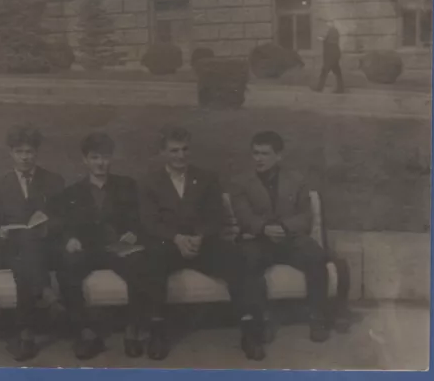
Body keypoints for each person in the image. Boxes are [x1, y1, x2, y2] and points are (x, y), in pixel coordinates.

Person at [138, 126, 242, 361]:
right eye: (174, 151)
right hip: (169, 245)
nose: (181, 156)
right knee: (150, 262)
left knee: (236, 257)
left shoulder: (206, 178)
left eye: (185, 150)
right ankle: (157, 331)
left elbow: (216, 215)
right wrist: (177, 238)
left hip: (202, 243)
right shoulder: (149, 182)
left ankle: (249, 326)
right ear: (163, 153)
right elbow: (149, 221)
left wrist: (199, 236)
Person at [52, 132, 157, 360]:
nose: (101, 163)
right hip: (88, 249)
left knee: (140, 263)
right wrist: (70, 238)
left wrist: (134, 232)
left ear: (112, 158)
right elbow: (65, 224)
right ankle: (87, 332)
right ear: (85, 160)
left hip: (118, 247)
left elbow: (140, 219)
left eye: (105, 157)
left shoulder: (127, 185)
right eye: (95, 157)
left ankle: (132, 331)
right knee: (66, 267)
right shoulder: (73, 192)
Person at [229, 131, 331, 361]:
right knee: (247, 262)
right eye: (255, 153)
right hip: (258, 241)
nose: (258, 158)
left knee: (315, 255)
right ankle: (258, 323)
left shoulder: (297, 179)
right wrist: (264, 228)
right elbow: (243, 215)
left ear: (279, 156)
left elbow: (306, 217)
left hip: (289, 240)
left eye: (265, 153)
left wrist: (283, 227)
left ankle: (317, 318)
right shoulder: (240, 182)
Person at [0, 125, 65, 361]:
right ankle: (45, 291)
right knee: (23, 251)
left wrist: (46, 223)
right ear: (10, 153)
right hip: (11, 249)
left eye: (30, 152)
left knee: (26, 258)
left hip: (45, 247)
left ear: (37, 153)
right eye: (19, 152)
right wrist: (0, 231)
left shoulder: (54, 181)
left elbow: (63, 218)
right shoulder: (0, 185)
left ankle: (26, 334)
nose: (25, 157)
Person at [312, 20, 345, 93]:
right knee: (337, 72)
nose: (327, 24)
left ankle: (319, 88)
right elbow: (328, 39)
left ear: (331, 23)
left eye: (328, 23)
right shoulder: (334, 31)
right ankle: (341, 88)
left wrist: (320, 39)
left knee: (324, 71)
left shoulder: (332, 30)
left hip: (331, 55)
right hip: (334, 54)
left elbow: (328, 40)